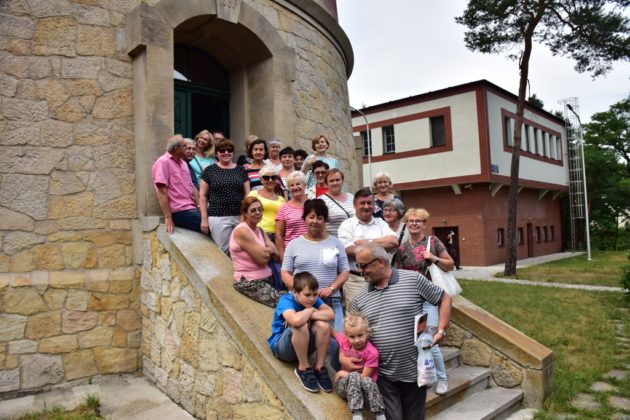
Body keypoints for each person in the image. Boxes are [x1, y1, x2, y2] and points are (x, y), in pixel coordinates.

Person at [344, 243, 452, 420]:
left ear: (380, 262)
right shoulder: (359, 299)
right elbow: (349, 335)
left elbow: (444, 298)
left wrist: (441, 331)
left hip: (415, 372)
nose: (360, 271)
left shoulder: (413, 280)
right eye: (358, 266)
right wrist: (345, 359)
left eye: (363, 266)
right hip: (382, 375)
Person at [396, 207, 455, 396]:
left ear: (424, 224)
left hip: (429, 298)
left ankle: (442, 378)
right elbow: (400, 273)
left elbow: (450, 264)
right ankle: (426, 374)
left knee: (430, 339)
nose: (414, 224)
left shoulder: (433, 241)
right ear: (406, 223)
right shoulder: (402, 248)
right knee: (415, 341)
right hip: (410, 298)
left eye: (418, 221)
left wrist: (433, 258)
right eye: (410, 221)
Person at [281, 199, 349, 331]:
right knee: (302, 335)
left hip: (330, 300)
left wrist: (331, 288)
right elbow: (285, 272)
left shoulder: (336, 243)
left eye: (320, 218)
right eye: (311, 217)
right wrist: (300, 290)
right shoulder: (294, 244)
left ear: (325, 220)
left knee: (337, 338)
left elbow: (345, 271)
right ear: (304, 219)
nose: (315, 221)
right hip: (300, 302)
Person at [268, 272, 334, 393]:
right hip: (282, 348)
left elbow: (330, 314)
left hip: (303, 346)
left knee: (323, 326)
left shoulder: (312, 301)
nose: (312, 299)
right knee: (301, 325)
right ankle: (303, 368)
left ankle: (319, 367)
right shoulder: (285, 300)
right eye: (307, 295)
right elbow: (296, 321)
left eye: (315, 294)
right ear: (295, 292)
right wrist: (310, 310)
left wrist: (308, 313)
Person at [337, 188, 398, 310]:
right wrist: (380, 247)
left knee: (382, 314)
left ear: (374, 205)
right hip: (356, 280)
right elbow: (349, 250)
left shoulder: (381, 223)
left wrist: (367, 242)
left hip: (381, 279)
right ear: (355, 205)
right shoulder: (347, 225)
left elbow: (394, 241)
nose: (366, 206)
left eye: (369, 203)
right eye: (362, 203)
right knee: (356, 316)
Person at [199, 139, 250, 253]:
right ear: (216, 153)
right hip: (218, 217)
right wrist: (204, 219)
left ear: (233, 152)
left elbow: (247, 194)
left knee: (241, 251)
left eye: (229, 150)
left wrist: (245, 216)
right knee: (222, 251)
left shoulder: (241, 170)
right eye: (222, 150)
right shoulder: (210, 170)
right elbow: (202, 195)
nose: (226, 152)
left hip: (239, 216)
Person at [229, 196, 280, 307]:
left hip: (269, 279)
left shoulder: (259, 230)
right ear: (245, 213)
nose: (257, 212)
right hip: (251, 282)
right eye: (253, 210)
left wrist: (268, 251)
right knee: (285, 304)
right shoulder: (242, 231)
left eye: (260, 209)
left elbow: (277, 256)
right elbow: (262, 259)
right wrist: (268, 250)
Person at [333, 313, 386, 420]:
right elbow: (332, 332)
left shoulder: (372, 353)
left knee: (366, 380)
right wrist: (341, 357)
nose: (356, 340)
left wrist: (342, 373)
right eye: (352, 337)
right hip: (345, 388)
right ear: (346, 335)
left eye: (360, 335)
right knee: (353, 376)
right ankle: (357, 414)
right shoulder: (345, 342)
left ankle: (380, 414)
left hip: (364, 389)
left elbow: (363, 377)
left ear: (367, 333)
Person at [151, 135, 203, 234]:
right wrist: (168, 217)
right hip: (179, 211)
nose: (188, 148)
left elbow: (192, 187)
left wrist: (200, 207)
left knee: (217, 220)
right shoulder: (163, 162)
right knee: (212, 225)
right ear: (177, 149)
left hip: (191, 208)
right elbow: (162, 191)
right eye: (185, 146)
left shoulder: (184, 164)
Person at [275, 171, 308, 260]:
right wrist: (282, 257)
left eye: (298, 184)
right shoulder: (283, 208)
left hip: (312, 251)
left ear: (304, 185)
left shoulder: (313, 205)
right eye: (292, 185)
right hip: (292, 254)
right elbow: (279, 235)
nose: (295, 187)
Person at [247, 165, 285, 242]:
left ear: (277, 179)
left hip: (277, 235)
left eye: (273, 177)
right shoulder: (254, 194)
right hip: (257, 232)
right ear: (261, 180)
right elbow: (244, 214)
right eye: (266, 178)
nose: (270, 180)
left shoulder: (281, 199)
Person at [321, 169, 355, 237]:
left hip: (353, 239)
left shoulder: (351, 197)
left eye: (337, 180)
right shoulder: (321, 201)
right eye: (331, 181)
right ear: (326, 183)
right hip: (335, 240)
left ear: (342, 181)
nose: (335, 183)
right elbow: (320, 225)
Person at [382, 197, 407, 262]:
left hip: (401, 264)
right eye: (385, 210)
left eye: (391, 210)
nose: (387, 213)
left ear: (399, 212)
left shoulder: (407, 229)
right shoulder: (379, 227)